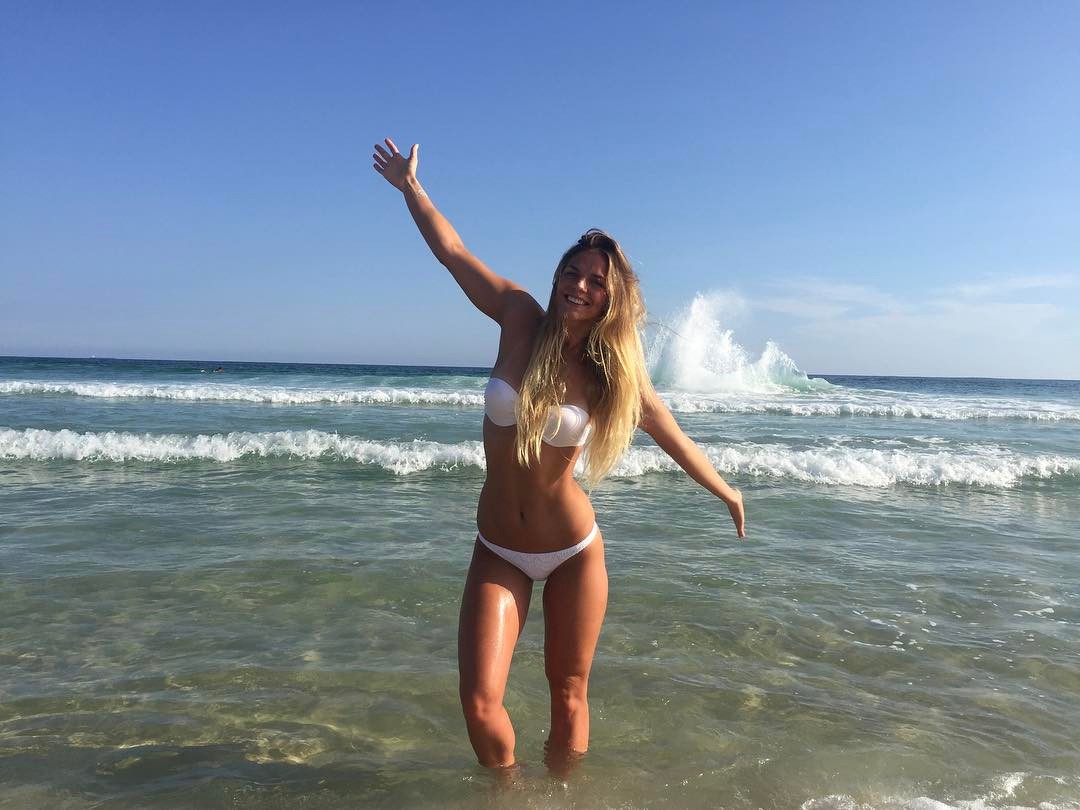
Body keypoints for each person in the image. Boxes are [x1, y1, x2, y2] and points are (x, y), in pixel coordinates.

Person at [372, 137, 746, 773]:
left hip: (573, 550)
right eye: (572, 272)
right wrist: (412, 188)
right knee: (479, 703)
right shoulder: (517, 316)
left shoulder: (610, 371)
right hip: (497, 546)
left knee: (568, 692)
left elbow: (670, 432)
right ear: (556, 276)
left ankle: (564, 797)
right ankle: (508, 794)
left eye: (596, 282)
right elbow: (454, 253)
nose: (580, 286)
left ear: (610, 298)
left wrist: (727, 491)